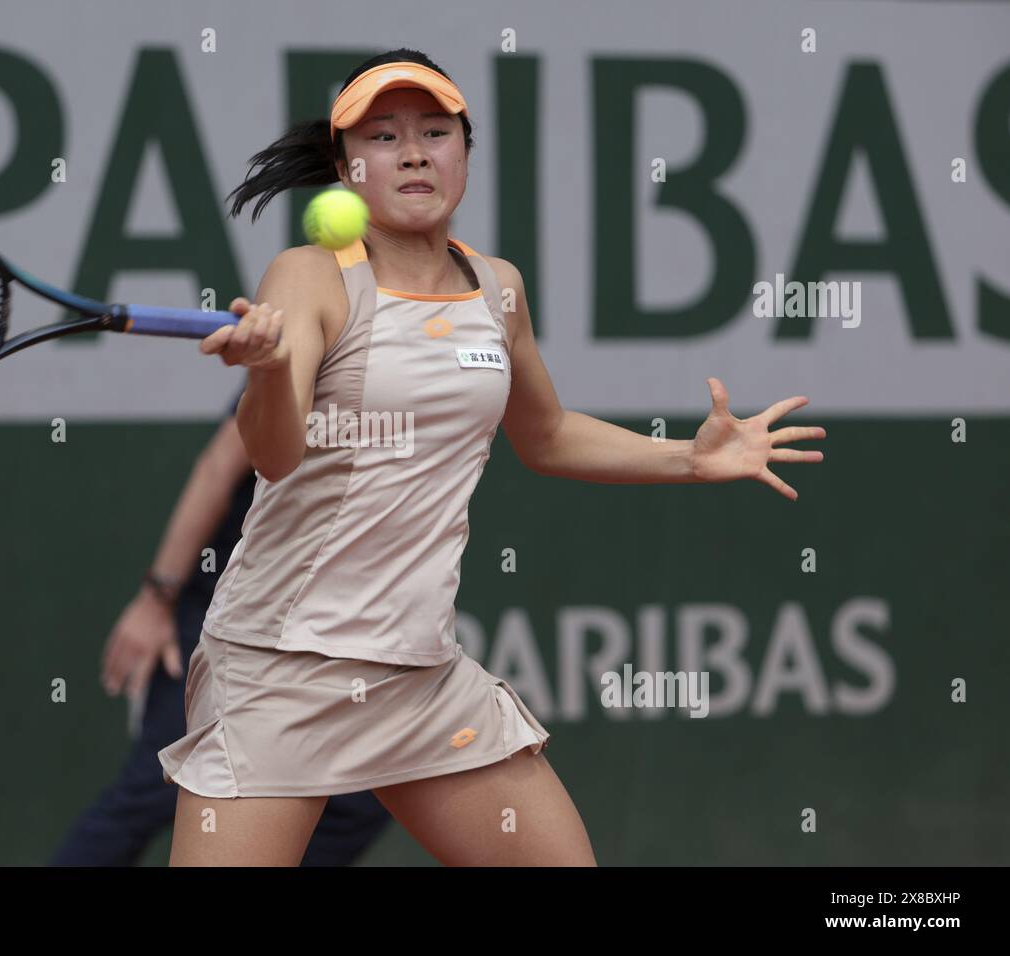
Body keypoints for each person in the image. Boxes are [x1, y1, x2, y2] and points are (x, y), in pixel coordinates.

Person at [160, 49, 826, 866]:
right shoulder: (309, 277)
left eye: (435, 132)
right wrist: (267, 375)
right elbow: (276, 452)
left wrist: (689, 455)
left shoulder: (497, 288)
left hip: (420, 674)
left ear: (464, 152)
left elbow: (543, 436)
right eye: (383, 135)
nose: (412, 152)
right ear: (346, 168)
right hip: (281, 667)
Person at [52, 386, 392, 866]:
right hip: (227, 617)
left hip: (322, 627)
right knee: (156, 789)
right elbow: (217, 467)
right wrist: (155, 600)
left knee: (361, 800)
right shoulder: (318, 330)